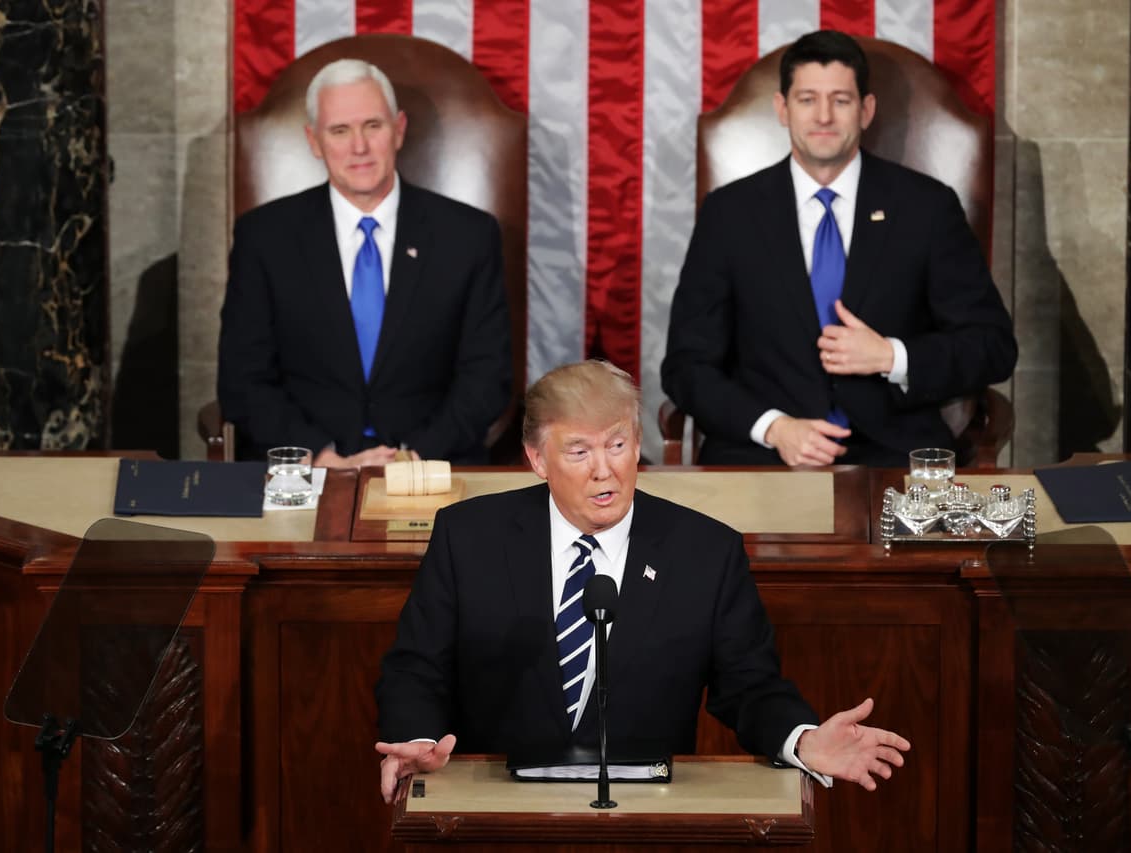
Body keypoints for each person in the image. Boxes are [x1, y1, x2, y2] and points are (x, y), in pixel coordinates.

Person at [374, 360, 909, 802]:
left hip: (647, 809)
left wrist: (803, 739)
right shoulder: (469, 536)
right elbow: (415, 667)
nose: (603, 470)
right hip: (496, 802)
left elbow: (751, 687)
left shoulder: (705, 551)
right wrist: (417, 741)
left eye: (618, 445)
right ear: (538, 459)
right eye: (579, 451)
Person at [660, 30, 1017, 468]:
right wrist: (772, 426)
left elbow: (993, 346)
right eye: (808, 99)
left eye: (841, 100)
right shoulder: (729, 214)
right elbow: (686, 366)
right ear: (782, 108)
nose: (824, 116)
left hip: (893, 457)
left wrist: (893, 356)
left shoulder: (927, 207)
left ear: (866, 111)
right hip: (761, 457)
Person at [217, 59, 512, 467]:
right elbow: (243, 380)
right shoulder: (264, 237)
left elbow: (487, 378)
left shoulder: (468, 235)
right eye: (340, 130)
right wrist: (319, 457)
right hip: (305, 469)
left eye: (373, 126)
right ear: (314, 141)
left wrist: (412, 458)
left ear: (399, 130)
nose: (359, 146)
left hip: (432, 466)